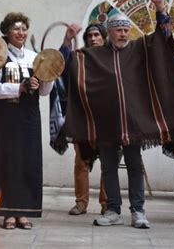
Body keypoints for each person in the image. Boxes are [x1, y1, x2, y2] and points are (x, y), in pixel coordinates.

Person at [64, 0, 174, 228]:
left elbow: (163, 35)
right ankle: (113, 210)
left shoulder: (140, 48)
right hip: (106, 124)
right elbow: (67, 63)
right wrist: (67, 40)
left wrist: (160, 7)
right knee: (108, 168)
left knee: (135, 165)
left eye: (126, 30)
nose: (123, 34)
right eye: (119, 31)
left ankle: (138, 212)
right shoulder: (94, 55)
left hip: (135, 123)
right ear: (110, 33)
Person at [0, 12, 54, 230]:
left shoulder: (34, 57)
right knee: (6, 163)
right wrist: (19, 87)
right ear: (6, 32)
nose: (21, 33)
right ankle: (7, 213)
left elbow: (44, 92)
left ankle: (24, 212)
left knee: (27, 163)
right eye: (16, 29)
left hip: (29, 118)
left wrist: (48, 76)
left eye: (24, 29)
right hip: (4, 118)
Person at [56, 23, 108, 215]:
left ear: (104, 37)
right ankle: (81, 203)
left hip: (106, 119)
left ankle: (106, 203)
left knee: (108, 164)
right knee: (81, 162)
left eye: (97, 35)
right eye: (90, 36)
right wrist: (67, 39)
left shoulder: (112, 57)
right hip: (83, 118)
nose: (93, 39)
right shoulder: (79, 57)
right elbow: (59, 64)